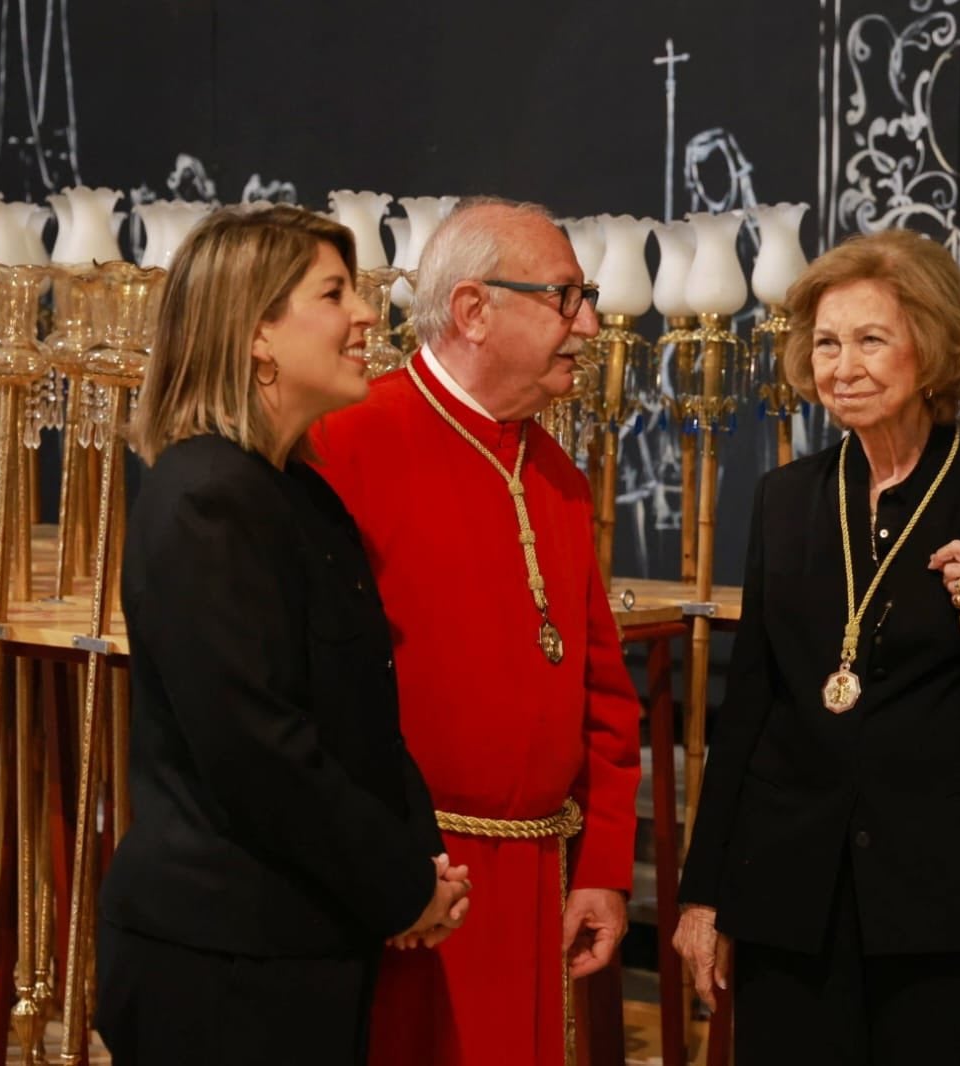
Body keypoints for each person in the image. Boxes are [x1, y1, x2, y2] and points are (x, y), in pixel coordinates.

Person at [673, 228, 960, 1064]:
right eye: (824, 342)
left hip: (944, 898)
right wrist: (704, 895)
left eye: (870, 339)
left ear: (932, 348)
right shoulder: (784, 501)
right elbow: (749, 709)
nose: (841, 365)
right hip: (788, 892)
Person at [98, 205, 470, 1065]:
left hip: (297, 941)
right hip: (220, 962)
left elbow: (359, 719)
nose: (366, 316)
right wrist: (398, 882)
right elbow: (256, 750)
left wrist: (420, 866)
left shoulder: (295, 494)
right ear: (257, 331)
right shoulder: (206, 500)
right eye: (334, 293)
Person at [313, 196, 642, 1066]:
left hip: (538, 887)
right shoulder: (344, 444)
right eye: (566, 296)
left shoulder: (558, 472)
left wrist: (603, 867)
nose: (591, 323)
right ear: (472, 309)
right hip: (409, 888)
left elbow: (605, 696)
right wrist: (389, 867)